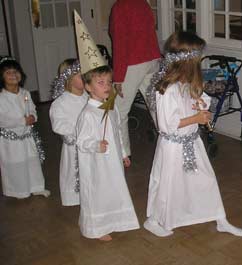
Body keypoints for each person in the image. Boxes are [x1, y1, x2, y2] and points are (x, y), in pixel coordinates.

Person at [144, 31, 242, 238]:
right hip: (172, 147)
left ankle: (220, 218)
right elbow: (166, 125)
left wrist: (200, 104)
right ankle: (153, 220)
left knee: (207, 179)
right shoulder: (165, 89)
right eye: (197, 57)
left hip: (192, 142)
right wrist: (195, 119)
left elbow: (200, 99)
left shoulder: (187, 83)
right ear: (188, 60)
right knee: (167, 184)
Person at [74, 10, 139, 241]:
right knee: (99, 192)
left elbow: (118, 133)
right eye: (100, 83)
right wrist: (95, 145)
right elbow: (81, 142)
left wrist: (122, 152)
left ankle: (115, 220)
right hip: (96, 163)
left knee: (114, 189)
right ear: (88, 87)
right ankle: (97, 227)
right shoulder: (87, 115)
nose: (106, 86)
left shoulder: (109, 106)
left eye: (108, 82)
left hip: (112, 161)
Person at [109, 0, 161, 157]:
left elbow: (119, 42)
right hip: (152, 59)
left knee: (118, 110)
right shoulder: (143, 3)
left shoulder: (120, 7)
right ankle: (172, 143)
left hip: (132, 63)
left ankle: (123, 153)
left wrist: (118, 77)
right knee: (157, 106)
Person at [0, 57, 50, 199]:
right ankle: (18, 190)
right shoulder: (2, 97)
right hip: (11, 140)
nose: (13, 75)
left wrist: (33, 117)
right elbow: (3, 119)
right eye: (8, 72)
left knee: (32, 161)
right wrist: (22, 121)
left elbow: (32, 109)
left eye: (16, 71)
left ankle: (36, 186)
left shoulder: (25, 93)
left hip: (27, 136)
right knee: (16, 164)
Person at [49, 58, 88, 206]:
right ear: (68, 79)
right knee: (73, 172)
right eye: (80, 75)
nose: (85, 77)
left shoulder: (88, 97)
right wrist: (77, 129)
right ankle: (74, 197)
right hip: (74, 146)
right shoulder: (60, 103)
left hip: (90, 143)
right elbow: (58, 125)